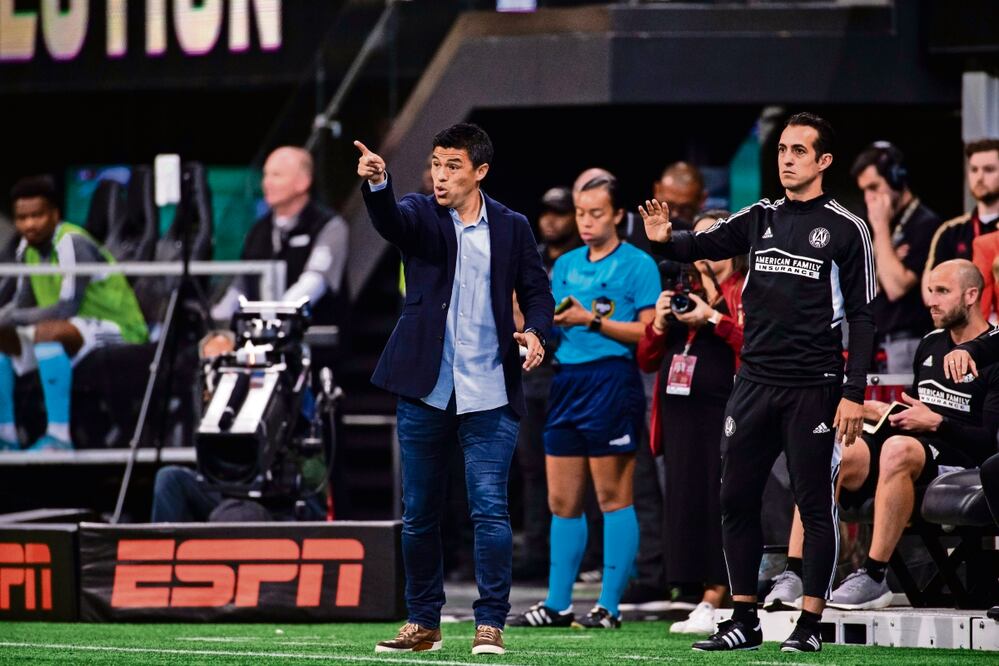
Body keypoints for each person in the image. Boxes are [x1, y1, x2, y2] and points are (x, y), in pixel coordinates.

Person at [640, 112, 876, 653]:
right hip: (754, 382)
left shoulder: (847, 227)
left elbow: (863, 317)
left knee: (814, 504)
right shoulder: (760, 215)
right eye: (783, 150)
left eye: (799, 150)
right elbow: (701, 245)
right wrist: (664, 239)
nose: (788, 159)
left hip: (814, 386)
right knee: (735, 498)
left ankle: (810, 626)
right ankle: (743, 618)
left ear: (823, 162)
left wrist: (853, 393)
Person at [355, 123, 553, 656]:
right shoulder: (421, 213)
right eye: (436, 164)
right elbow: (391, 222)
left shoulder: (512, 227)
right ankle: (424, 622)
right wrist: (378, 183)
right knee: (419, 512)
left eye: (452, 166)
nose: (440, 176)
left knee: (489, 509)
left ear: (480, 171)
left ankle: (490, 623)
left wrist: (535, 332)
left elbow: (537, 292)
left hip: (489, 389)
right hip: (426, 387)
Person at [509, 174, 659, 630]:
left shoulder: (638, 264)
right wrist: (527, 320)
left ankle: (608, 606)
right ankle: (556, 605)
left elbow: (650, 335)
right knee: (561, 500)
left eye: (596, 213)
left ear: (617, 215)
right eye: (581, 213)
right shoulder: (567, 263)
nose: (587, 221)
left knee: (613, 497)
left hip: (612, 380)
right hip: (566, 381)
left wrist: (591, 321)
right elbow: (552, 322)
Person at [636, 210, 746, 634]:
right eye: (697, 243)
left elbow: (752, 345)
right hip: (681, 420)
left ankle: (720, 595)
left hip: (726, 413)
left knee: (721, 503)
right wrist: (660, 323)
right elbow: (647, 359)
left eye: (712, 242)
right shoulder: (683, 289)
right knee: (686, 505)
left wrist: (713, 320)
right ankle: (701, 593)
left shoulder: (743, 290)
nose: (704, 253)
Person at [0, 176, 148, 451]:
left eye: (37, 215)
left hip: (118, 327)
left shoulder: (71, 242)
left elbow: (68, 307)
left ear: (54, 214)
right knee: (2, 338)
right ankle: (6, 436)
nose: (29, 224)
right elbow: (21, 302)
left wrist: (12, 318)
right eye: (22, 217)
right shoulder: (25, 248)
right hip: (72, 329)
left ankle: (58, 437)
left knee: (47, 333)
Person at [151, 331, 326, 522]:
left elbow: (310, 460)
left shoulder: (270, 393)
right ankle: (163, 546)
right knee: (169, 478)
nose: (217, 369)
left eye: (224, 360)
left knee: (237, 513)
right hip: (223, 488)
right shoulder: (203, 398)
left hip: (269, 490)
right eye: (211, 362)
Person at [513, 185, 580, 580]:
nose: (551, 220)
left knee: (571, 467)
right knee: (533, 468)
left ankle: (578, 557)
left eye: (560, 212)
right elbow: (511, 304)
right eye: (546, 212)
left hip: (567, 369)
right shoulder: (532, 258)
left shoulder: (579, 262)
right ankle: (537, 552)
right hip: (530, 371)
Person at [212, 146, 349, 325]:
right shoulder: (258, 230)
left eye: (276, 175)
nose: (266, 182)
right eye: (265, 175)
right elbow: (240, 286)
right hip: (262, 343)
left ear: (303, 182)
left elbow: (313, 284)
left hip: (316, 344)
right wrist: (214, 321)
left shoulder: (329, 226)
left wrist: (271, 320)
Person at [851, 142, 942, 372]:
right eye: (864, 190)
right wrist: (888, 259)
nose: (868, 198)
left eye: (874, 187)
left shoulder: (925, 224)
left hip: (908, 341)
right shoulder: (881, 223)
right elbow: (863, 283)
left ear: (896, 178)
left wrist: (880, 229)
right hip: (876, 340)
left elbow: (895, 286)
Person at [923, 139, 999, 292]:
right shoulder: (951, 231)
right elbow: (929, 291)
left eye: (989, 169)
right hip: (965, 315)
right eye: (974, 170)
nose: (980, 177)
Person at [654, 162, 708, 232]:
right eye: (669, 206)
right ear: (657, 190)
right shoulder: (637, 227)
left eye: (685, 209)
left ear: (702, 199)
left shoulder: (707, 233)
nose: (675, 215)